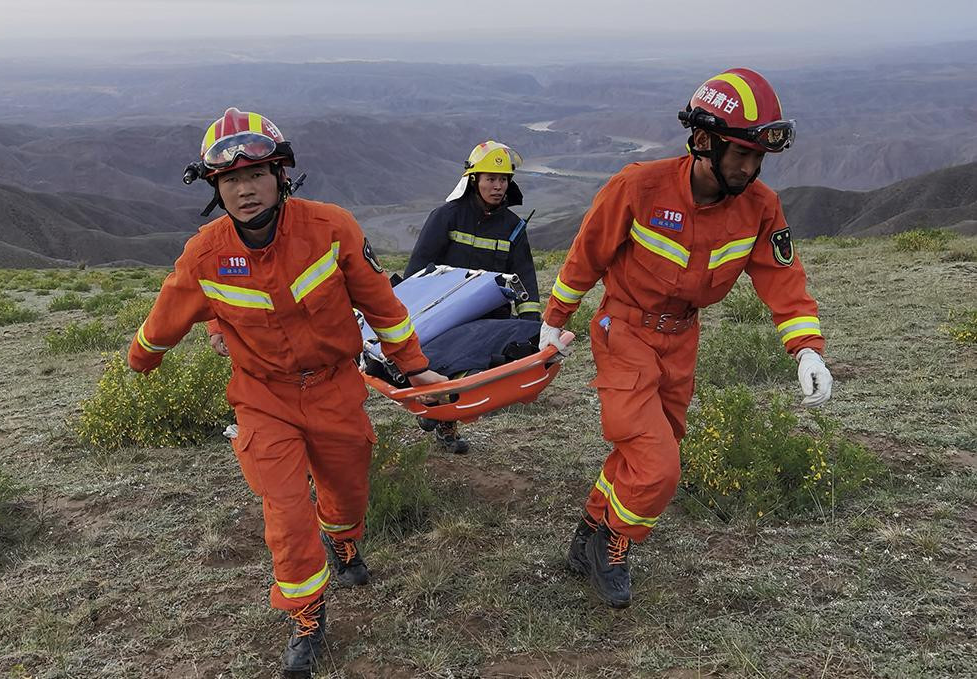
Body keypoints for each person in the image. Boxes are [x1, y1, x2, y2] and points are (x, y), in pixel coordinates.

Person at [128, 108, 445, 676]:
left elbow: (381, 303)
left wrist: (415, 369)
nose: (244, 190)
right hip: (262, 399)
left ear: (281, 176)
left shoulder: (331, 227)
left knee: (346, 491)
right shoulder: (204, 254)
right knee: (286, 509)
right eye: (229, 180)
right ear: (214, 188)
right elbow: (165, 317)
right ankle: (306, 612)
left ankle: (344, 541)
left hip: (335, 388)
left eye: (256, 175)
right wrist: (143, 359)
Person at [538, 69, 834, 609]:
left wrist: (806, 347)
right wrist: (555, 319)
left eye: (756, 157)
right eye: (739, 153)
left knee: (645, 452)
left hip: (681, 340)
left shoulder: (761, 206)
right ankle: (614, 544)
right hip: (622, 331)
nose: (749, 167)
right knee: (658, 467)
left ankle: (587, 534)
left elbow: (781, 278)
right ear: (703, 141)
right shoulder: (638, 187)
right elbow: (587, 255)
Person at [403, 141, 541, 454]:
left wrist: (531, 323)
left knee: (469, 371)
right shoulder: (447, 216)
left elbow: (525, 275)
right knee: (442, 365)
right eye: (491, 178)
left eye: (503, 179)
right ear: (474, 179)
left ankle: (443, 418)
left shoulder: (513, 228)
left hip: (489, 316)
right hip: (444, 311)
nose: (498, 186)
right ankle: (440, 417)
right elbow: (418, 267)